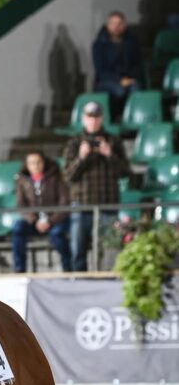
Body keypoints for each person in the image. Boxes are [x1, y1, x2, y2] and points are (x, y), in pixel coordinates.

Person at [62, 101, 130, 272]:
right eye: (90, 117)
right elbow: (68, 176)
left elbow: (125, 172)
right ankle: (79, 284)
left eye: (96, 117)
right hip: (81, 204)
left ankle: (106, 282)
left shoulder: (113, 141)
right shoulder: (74, 143)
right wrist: (81, 157)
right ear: (84, 119)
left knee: (109, 249)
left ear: (102, 118)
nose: (93, 121)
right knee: (78, 249)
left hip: (108, 205)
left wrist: (109, 154)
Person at [12, 152, 71, 273]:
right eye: (32, 163)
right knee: (18, 229)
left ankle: (68, 268)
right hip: (34, 222)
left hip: (54, 221)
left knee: (58, 235)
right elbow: (21, 205)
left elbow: (64, 202)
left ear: (44, 163)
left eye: (38, 162)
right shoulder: (22, 180)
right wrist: (34, 221)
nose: (36, 165)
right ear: (27, 165)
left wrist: (50, 221)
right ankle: (19, 269)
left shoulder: (55, 177)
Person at [92, 11, 144, 117]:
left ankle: (130, 119)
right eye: (113, 23)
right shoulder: (99, 45)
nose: (116, 27)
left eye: (119, 23)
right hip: (107, 80)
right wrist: (120, 80)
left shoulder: (132, 43)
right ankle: (114, 118)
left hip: (128, 78)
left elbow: (137, 64)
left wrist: (130, 79)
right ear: (107, 25)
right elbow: (101, 70)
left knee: (136, 88)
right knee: (119, 91)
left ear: (124, 25)